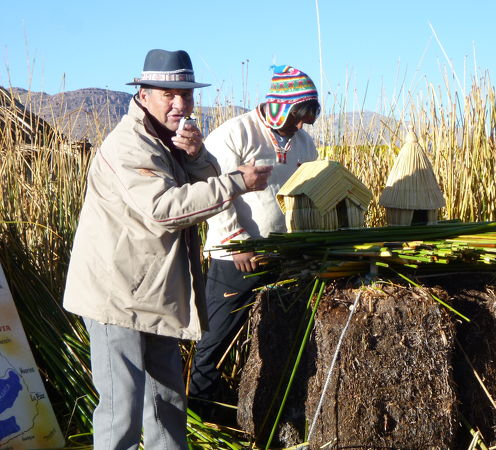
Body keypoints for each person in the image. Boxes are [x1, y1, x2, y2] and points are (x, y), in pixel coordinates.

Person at [62, 49, 272, 450]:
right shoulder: (129, 145)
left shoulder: (169, 138)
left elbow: (202, 186)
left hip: (156, 293)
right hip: (116, 297)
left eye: (187, 95)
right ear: (143, 94)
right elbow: (165, 210)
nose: (180, 104)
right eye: (168, 94)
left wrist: (196, 156)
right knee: (121, 409)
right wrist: (238, 182)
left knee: (167, 403)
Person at [189, 65, 321, 416]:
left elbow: (308, 192)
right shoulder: (234, 135)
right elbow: (213, 191)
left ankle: (273, 408)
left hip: (285, 257)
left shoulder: (304, 143)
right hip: (235, 257)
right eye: (297, 115)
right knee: (216, 337)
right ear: (281, 106)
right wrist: (238, 240)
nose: (301, 125)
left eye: (306, 117)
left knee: (281, 333)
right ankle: (201, 409)